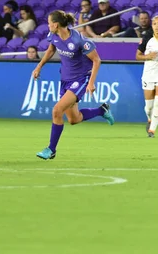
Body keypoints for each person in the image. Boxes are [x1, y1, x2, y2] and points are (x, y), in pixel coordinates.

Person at [32, 10, 114, 160]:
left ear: (56, 25)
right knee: (74, 119)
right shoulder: (53, 36)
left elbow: (97, 60)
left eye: (49, 22)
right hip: (65, 79)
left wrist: (91, 83)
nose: (48, 25)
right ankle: (102, 111)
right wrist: (39, 67)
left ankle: (51, 149)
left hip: (80, 79)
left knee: (57, 110)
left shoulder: (78, 41)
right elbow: (51, 50)